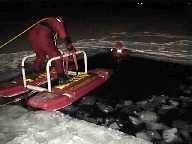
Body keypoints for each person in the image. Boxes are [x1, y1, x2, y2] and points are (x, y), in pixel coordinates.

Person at [28, 16, 76, 84]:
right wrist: (71, 48)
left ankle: (34, 73)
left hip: (32, 35)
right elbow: (64, 36)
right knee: (56, 55)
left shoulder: (48, 20)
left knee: (40, 55)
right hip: (42, 35)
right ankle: (62, 77)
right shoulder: (58, 22)